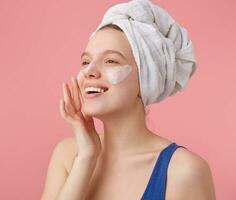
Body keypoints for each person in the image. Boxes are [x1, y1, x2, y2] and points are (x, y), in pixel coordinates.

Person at [41, 0, 216, 199]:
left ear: (146, 80)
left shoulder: (183, 171)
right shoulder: (68, 155)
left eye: (111, 61)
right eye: (86, 61)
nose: (89, 72)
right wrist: (86, 158)